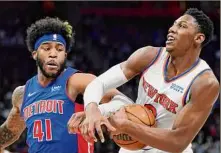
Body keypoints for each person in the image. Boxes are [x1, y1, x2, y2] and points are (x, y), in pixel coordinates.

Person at [69, 8, 220, 153]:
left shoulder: (204, 83)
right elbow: (99, 83)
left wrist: (126, 126)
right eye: (173, 24)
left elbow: (178, 142)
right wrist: (93, 110)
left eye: (182, 26)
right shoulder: (149, 56)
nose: (172, 29)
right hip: (133, 147)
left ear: (198, 38)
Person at [0, 17, 129, 153]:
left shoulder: (77, 81)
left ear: (65, 55)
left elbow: (124, 102)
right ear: (35, 54)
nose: (53, 54)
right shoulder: (22, 94)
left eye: (59, 49)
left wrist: (96, 110)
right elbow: (11, 130)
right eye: (47, 48)